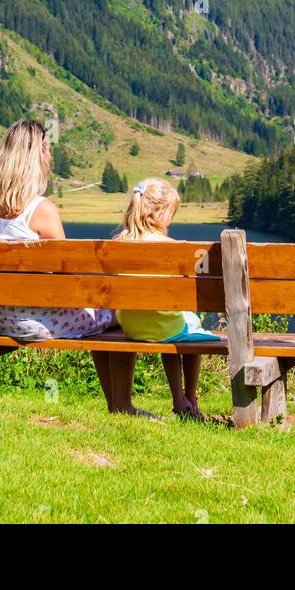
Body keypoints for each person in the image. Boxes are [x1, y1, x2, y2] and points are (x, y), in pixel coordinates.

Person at [0, 119, 147, 414]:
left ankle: (119, 405)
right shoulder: (41, 209)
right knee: (119, 310)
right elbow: (67, 275)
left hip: (1, 316)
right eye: (47, 149)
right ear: (36, 156)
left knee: (103, 311)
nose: (50, 156)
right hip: (36, 322)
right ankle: (121, 405)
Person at [114, 178, 220, 419]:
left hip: (131, 326)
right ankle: (188, 399)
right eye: (171, 213)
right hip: (164, 327)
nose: (171, 220)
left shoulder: (119, 242)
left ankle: (180, 399)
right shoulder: (173, 247)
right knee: (193, 328)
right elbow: (186, 284)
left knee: (171, 319)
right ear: (160, 212)